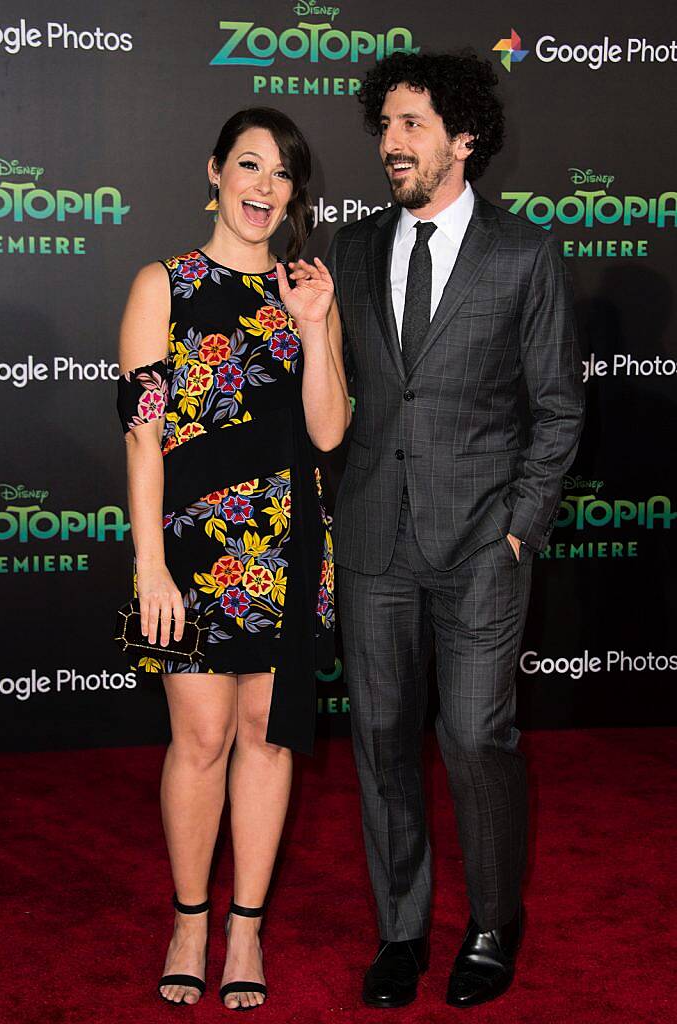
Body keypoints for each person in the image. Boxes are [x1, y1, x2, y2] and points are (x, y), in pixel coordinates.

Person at [315, 50, 585, 1009]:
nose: (391, 144)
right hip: (373, 541)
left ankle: (489, 920)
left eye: (412, 124)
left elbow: (556, 409)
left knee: (475, 739)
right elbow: (336, 396)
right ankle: (401, 929)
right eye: (383, 125)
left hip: (481, 545)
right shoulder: (348, 251)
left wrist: (519, 526)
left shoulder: (522, 254)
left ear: (462, 138)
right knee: (383, 740)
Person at [116, 107, 350, 1011]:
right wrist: (148, 567)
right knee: (202, 738)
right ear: (214, 172)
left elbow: (329, 429)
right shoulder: (161, 285)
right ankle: (188, 919)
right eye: (248, 167)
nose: (263, 188)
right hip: (188, 549)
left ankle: (245, 928)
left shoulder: (306, 291)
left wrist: (318, 325)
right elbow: (142, 440)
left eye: (281, 174)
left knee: (267, 736)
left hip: (289, 547)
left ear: (294, 193)